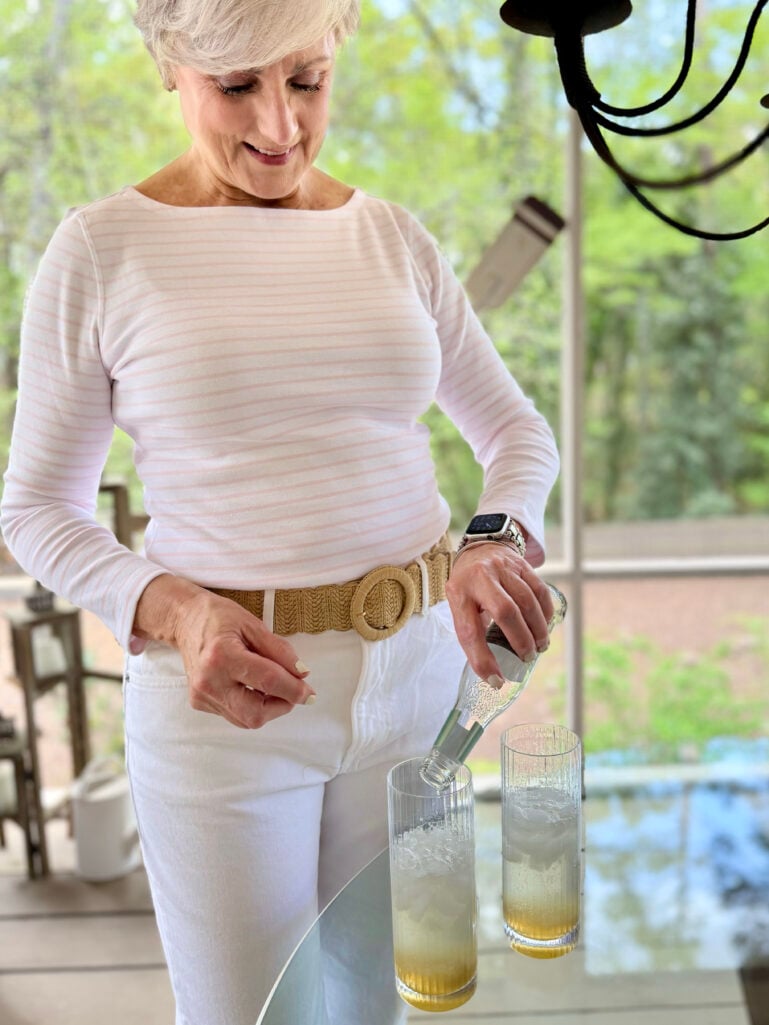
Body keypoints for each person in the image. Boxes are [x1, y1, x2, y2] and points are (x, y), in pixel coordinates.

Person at [0, 0, 560, 1021]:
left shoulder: (391, 238)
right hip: (225, 709)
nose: (280, 127)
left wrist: (489, 539)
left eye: (305, 81)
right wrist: (174, 608)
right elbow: (36, 506)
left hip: (419, 682)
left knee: (384, 1003)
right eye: (236, 87)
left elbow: (518, 435)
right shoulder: (100, 252)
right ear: (174, 65)